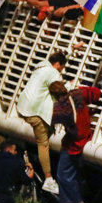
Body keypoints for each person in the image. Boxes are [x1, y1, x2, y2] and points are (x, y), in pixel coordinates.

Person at [50, 80, 102, 203]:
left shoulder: (59, 109)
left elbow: (49, 120)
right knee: (77, 174)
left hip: (75, 143)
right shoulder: (78, 94)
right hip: (87, 135)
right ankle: (80, 201)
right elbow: (97, 93)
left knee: (63, 174)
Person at [16, 51, 66, 194]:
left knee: (46, 134)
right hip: (35, 111)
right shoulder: (53, 72)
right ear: (57, 65)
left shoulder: (41, 67)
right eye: (61, 68)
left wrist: (73, 50)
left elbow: (57, 57)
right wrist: (69, 86)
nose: (61, 71)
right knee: (43, 144)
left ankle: (44, 169)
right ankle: (48, 179)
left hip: (23, 107)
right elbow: (58, 89)